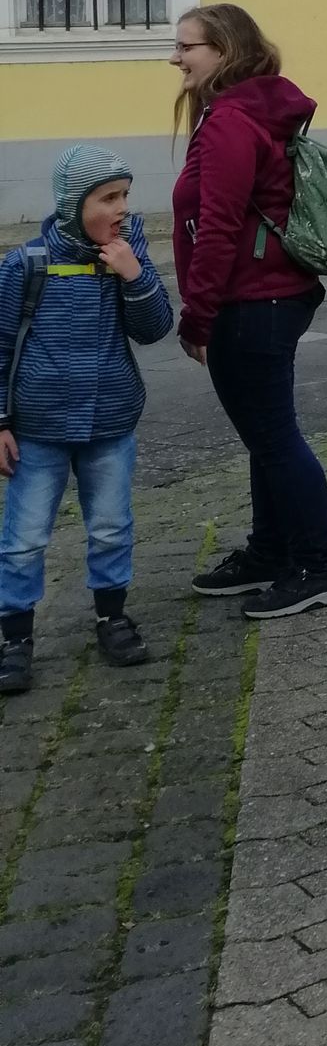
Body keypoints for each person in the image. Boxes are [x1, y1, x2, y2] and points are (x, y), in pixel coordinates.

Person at [171, 5, 327, 619]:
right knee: (265, 436)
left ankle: (319, 567)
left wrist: (197, 315)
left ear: (223, 50)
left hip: (252, 301)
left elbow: (218, 226)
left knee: (274, 438)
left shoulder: (230, 120)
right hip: (270, 295)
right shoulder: (248, 110)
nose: (176, 58)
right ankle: (271, 550)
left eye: (187, 47)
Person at [0, 146, 174, 692]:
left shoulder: (126, 255)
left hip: (109, 424)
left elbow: (154, 329)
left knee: (111, 527)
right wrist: (0, 421)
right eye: (108, 198)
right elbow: (1, 347)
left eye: (125, 196)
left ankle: (111, 617)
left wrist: (134, 276)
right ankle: (15, 638)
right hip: (38, 430)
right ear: (74, 204)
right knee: (24, 538)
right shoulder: (25, 264)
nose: (121, 208)